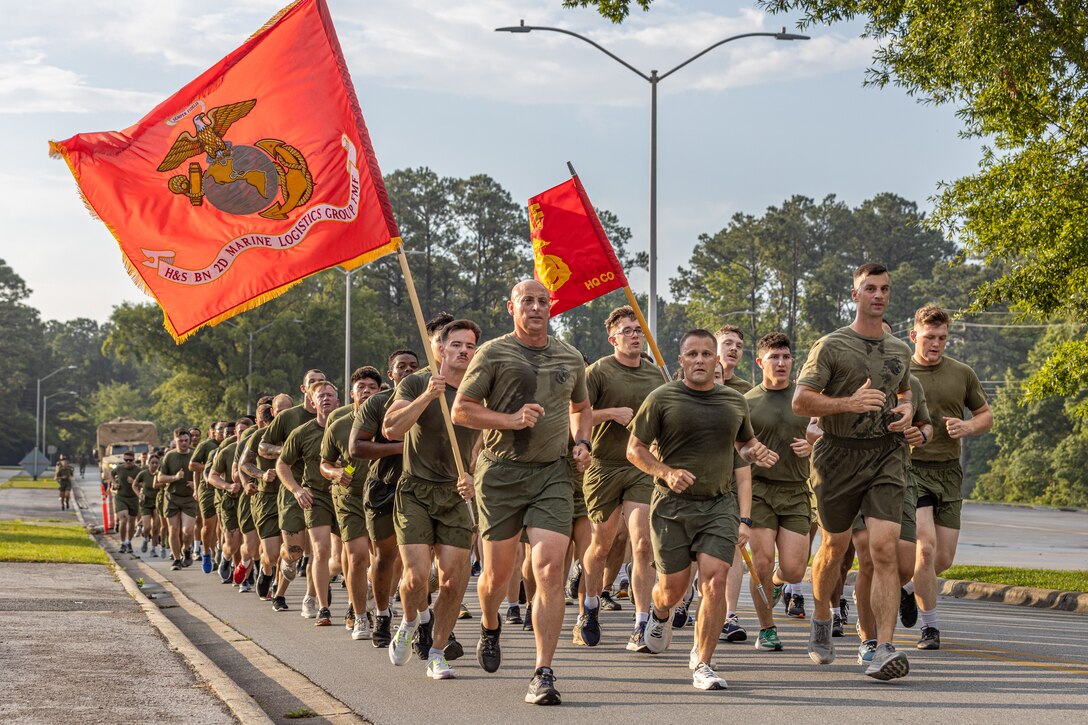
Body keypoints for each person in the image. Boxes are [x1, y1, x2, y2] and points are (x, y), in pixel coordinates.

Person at [451, 279, 592, 706]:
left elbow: (581, 408)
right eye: (527, 301)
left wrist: (581, 442)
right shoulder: (493, 352)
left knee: (550, 568)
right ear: (510, 306)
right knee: (497, 577)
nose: (535, 307)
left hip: (552, 474)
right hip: (501, 475)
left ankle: (543, 671)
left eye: (542, 301)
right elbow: (462, 409)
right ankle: (491, 623)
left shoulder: (570, 357)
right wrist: (510, 420)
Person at [627, 328, 777, 691]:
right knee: (673, 588)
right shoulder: (662, 398)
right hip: (672, 507)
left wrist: (756, 451)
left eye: (706, 354)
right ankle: (660, 614)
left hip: (718, 504)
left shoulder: (733, 401)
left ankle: (703, 661)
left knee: (715, 578)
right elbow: (634, 450)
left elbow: (743, 443)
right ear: (681, 361)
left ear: (716, 360)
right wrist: (666, 472)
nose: (699, 360)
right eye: (691, 354)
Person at [793, 262, 914, 681]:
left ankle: (883, 647)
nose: (878, 295)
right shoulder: (830, 346)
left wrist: (908, 411)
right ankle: (823, 614)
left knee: (883, 550)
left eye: (884, 289)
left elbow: (905, 389)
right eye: (870, 288)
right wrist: (847, 404)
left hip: (885, 455)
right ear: (855, 294)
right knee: (834, 547)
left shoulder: (900, 349)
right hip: (836, 455)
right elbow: (801, 402)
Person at [383, 319, 482, 679]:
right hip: (415, 491)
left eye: (470, 346)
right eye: (456, 344)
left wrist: (473, 476)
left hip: (455, 495)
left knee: (454, 581)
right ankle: (409, 622)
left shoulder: (480, 390)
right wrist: (428, 395)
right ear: (441, 348)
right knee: (416, 577)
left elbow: (484, 444)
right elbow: (391, 428)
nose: (463, 351)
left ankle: (437, 652)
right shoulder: (416, 382)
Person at [578, 306, 665, 652]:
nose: (634, 335)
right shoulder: (599, 372)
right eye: (626, 330)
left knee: (643, 544)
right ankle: (590, 605)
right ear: (612, 338)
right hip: (603, 466)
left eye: (638, 330)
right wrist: (610, 414)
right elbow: (577, 416)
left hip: (641, 466)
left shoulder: (656, 374)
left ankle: (641, 622)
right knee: (601, 544)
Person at [908, 304, 992, 650]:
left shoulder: (962, 373)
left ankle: (908, 588)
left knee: (942, 559)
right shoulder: (901, 372)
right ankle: (930, 627)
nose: (936, 344)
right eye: (930, 337)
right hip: (911, 470)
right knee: (925, 549)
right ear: (914, 335)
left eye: (942, 338)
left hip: (948, 471)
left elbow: (985, 415)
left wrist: (968, 426)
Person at [743, 333, 813, 652]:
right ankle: (767, 628)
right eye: (774, 357)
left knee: (794, 569)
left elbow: (825, 430)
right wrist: (753, 450)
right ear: (760, 362)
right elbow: (734, 445)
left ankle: (775, 583)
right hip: (759, 491)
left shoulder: (805, 398)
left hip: (796, 490)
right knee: (761, 560)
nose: (781, 363)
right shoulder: (747, 402)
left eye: (786, 357)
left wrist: (813, 444)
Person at [349, 355, 419, 645]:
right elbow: (355, 448)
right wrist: (402, 448)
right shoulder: (377, 404)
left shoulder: (431, 398)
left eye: (414, 367)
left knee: (419, 562)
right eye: (402, 366)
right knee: (385, 558)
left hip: (421, 490)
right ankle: (381, 613)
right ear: (390, 373)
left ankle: (420, 621)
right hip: (383, 489)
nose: (408, 371)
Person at [323, 364, 391, 638]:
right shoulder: (339, 423)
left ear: (380, 393)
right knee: (357, 556)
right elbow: (324, 463)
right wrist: (337, 472)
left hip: (382, 494)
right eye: (360, 387)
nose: (365, 392)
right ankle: (360, 615)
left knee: (385, 558)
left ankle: (378, 603)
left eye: (372, 388)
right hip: (349, 497)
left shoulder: (389, 420)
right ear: (351, 392)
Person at [262, 370, 326, 614]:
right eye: (312, 383)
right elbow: (263, 447)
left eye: (322, 383)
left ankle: (312, 598)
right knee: (294, 552)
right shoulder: (289, 417)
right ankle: (281, 584)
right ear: (304, 389)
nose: (317, 387)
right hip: (293, 488)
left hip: (324, 490)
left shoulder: (334, 419)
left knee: (318, 551)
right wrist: (289, 451)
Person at [278, 380, 341, 627]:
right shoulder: (302, 432)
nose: (325, 398)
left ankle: (321, 588)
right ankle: (322, 606)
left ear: (338, 400)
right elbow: (282, 464)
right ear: (312, 402)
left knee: (344, 557)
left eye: (330, 395)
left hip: (345, 495)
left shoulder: (346, 426)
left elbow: (353, 461)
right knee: (320, 549)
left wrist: (341, 473)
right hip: (316, 496)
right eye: (320, 395)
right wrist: (296, 489)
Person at [715, 324, 754, 644]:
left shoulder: (746, 391)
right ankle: (682, 600)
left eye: (738, 345)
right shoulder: (684, 382)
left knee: (734, 548)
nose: (733, 349)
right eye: (727, 343)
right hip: (690, 480)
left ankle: (730, 615)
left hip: (731, 478)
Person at [157, 428, 199, 570]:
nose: (183, 443)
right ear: (175, 441)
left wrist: (196, 485)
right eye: (180, 441)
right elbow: (160, 478)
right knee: (173, 529)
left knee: (187, 531)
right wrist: (174, 478)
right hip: (172, 497)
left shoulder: (194, 455)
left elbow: (205, 473)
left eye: (186, 440)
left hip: (189, 498)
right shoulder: (169, 456)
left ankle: (186, 549)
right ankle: (176, 559)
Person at [190, 422, 224, 574]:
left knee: (223, 525)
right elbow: (192, 465)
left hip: (224, 488)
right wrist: (212, 469)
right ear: (212, 431)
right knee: (208, 525)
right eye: (220, 429)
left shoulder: (231, 444)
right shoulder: (206, 445)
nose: (223, 432)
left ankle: (220, 553)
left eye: (226, 429)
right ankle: (206, 552)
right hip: (208, 489)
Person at [111, 451, 142, 554]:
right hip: (121, 497)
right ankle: (123, 542)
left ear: (134, 459)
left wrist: (134, 482)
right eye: (126, 460)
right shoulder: (119, 468)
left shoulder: (138, 470)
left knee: (132, 522)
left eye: (130, 460)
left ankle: (129, 542)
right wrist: (115, 483)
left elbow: (143, 484)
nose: (128, 462)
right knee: (123, 519)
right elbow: (111, 474)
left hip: (133, 498)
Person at [136, 454, 162, 556]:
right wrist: (139, 494)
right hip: (146, 503)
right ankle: (146, 539)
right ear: (148, 463)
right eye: (152, 463)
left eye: (156, 463)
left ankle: (153, 549)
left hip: (157, 502)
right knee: (147, 527)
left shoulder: (160, 474)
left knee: (155, 527)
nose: (154, 465)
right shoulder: (143, 474)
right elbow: (134, 484)